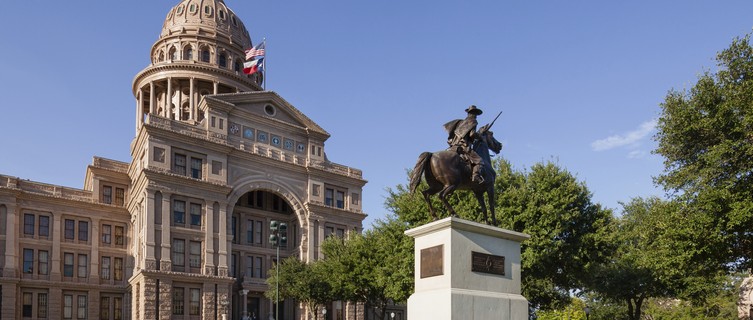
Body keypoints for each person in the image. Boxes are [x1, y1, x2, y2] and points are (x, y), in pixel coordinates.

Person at [444, 105, 485, 183]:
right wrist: (480, 137)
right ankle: (475, 176)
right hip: (463, 146)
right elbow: (472, 134)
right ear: (473, 113)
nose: (476, 116)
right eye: (475, 114)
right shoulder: (473, 121)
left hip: (453, 146)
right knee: (480, 161)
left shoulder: (461, 122)